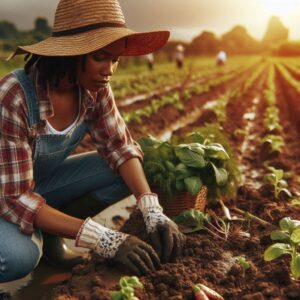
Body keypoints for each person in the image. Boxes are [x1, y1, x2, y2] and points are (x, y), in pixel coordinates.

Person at [0, 0, 185, 282]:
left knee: (131, 167)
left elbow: (120, 147)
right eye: (101, 57)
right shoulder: (15, 96)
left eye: (115, 59)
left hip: (37, 183)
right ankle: (37, 233)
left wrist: (151, 209)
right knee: (18, 257)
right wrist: (103, 238)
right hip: (7, 193)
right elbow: (15, 198)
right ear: (72, 53)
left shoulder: (95, 89)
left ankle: (50, 232)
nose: (109, 69)